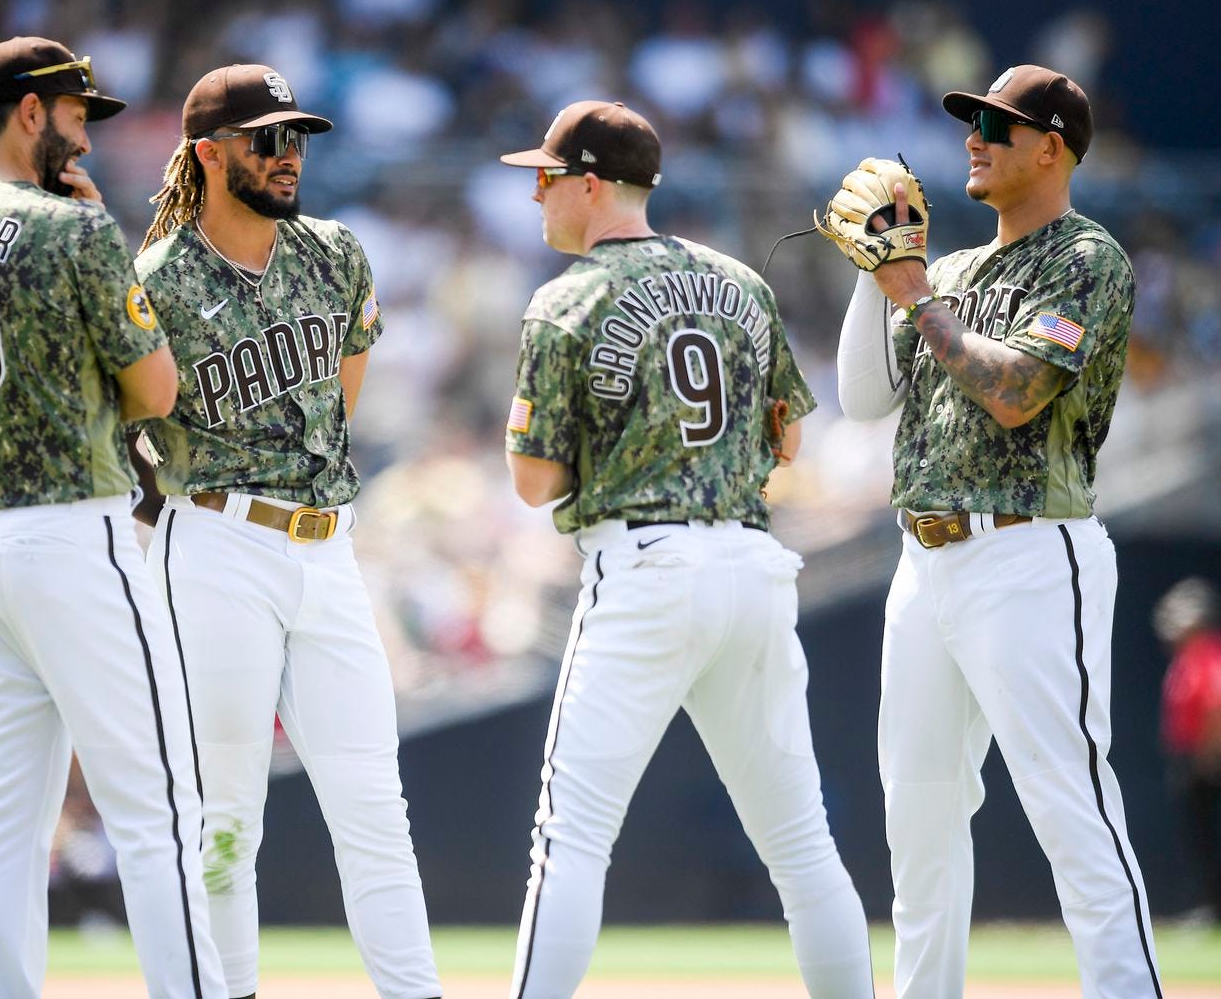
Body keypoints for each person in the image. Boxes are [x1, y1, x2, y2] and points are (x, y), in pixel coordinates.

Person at [498, 100, 874, 999]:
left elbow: (533, 481)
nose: (537, 194)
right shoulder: (741, 283)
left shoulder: (567, 298)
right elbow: (787, 444)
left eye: (547, 177)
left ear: (591, 183)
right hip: (752, 567)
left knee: (571, 840)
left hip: (646, 568)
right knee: (801, 845)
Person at [0, 37, 225, 998]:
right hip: (66, 535)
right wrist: (102, 233)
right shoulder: (72, 230)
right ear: (31, 111)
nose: (85, 140)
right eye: (78, 116)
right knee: (158, 805)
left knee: (3, 815)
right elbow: (157, 389)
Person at [831, 64, 1162, 997]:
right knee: (919, 824)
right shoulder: (951, 270)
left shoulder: (1086, 258)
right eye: (973, 122)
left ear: (1051, 147)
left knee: (1072, 808)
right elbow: (861, 401)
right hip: (922, 562)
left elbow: (1016, 395)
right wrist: (877, 273)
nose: (974, 138)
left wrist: (911, 293)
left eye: (999, 127)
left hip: (1028, 552)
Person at [135, 63, 440, 999]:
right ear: (208, 153)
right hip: (218, 544)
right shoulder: (160, 277)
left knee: (375, 809)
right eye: (266, 138)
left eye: (295, 136)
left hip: (327, 548)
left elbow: (344, 389)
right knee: (227, 819)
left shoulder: (334, 251)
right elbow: (133, 430)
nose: (287, 154)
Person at [1155, 577, 1221, 923]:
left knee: (1206, 836)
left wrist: (1207, 755)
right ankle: (1209, 907)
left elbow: (1215, 705)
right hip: (1192, 757)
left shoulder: (1205, 653)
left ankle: (1213, 908)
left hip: (1205, 760)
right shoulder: (1187, 655)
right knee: (1198, 837)